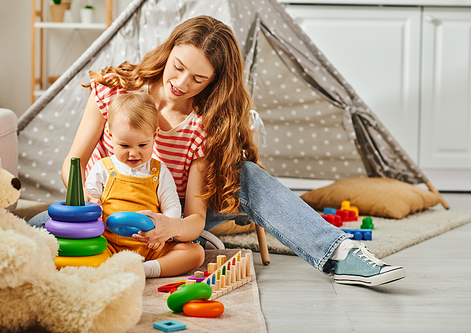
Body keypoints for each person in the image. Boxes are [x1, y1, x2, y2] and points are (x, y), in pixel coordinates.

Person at [30, 15, 405, 287]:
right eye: (177, 68)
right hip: (102, 207)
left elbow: (194, 214)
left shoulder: (204, 124)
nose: (180, 83)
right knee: (35, 233)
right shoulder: (115, 91)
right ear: (169, 50)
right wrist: (86, 205)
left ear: (214, 80)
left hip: (165, 212)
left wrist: (171, 227)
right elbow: (73, 162)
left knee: (245, 175)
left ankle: (339, 254)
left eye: (197, 79)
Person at [83, 92, 203, 278]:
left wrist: (164, 233)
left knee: (195, 253)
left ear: (154, 135)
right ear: (110, 134)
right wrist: (92, 203)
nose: (133, 154)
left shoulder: (159, 171)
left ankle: (145, 270)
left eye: (142, 145)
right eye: (124, 146)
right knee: (84, 253)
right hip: (109, 244)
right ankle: (111, 269)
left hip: (150, 245)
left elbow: (171, 206)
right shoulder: (103, 168)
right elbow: (89, 198)